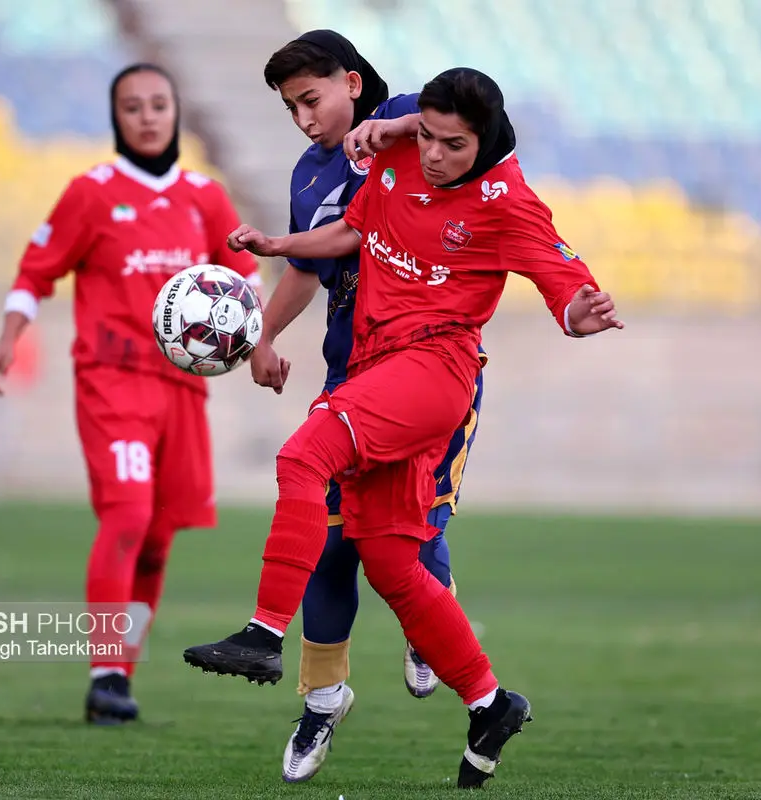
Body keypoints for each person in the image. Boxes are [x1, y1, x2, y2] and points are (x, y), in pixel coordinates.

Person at [183, 66, 622, 788]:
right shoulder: (397, 150)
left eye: (454, 145)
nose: (435, 155)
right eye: (428, 137)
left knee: (302, 459)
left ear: (484, 142)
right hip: (374, 364)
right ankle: (490, 703)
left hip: (434, 368)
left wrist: (581, 314)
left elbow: (565, 286)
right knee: (389, 559)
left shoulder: (508, 202)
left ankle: (262, 635)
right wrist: (278, 246)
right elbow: (354, 231)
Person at [0, 63, 261, 725]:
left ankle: (121, 674)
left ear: (176, 111)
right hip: (112, 382)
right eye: (132, 106)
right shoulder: (91, 193)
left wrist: (262, 341)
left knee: (159, 539)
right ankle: (104, 671)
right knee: (128, 515)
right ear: (116, 117)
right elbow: (35, 271)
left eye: (158, 103)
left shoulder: (204, 197)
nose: (147, 116)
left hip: (182, 390)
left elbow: (245, 279)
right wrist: (9, 335)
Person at [245, 30, 486, 784]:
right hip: (349, 374)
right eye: (290, 109)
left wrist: (399, 129)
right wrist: (263, 336)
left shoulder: (415, 119)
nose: (303, 120)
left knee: (414, 535)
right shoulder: (310, 175)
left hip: (426, 372)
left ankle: (429, 627)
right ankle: (323, 700)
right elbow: (307, 267)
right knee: (327, 542)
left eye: (310, 100)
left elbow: (486, 136)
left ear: (352, 82)